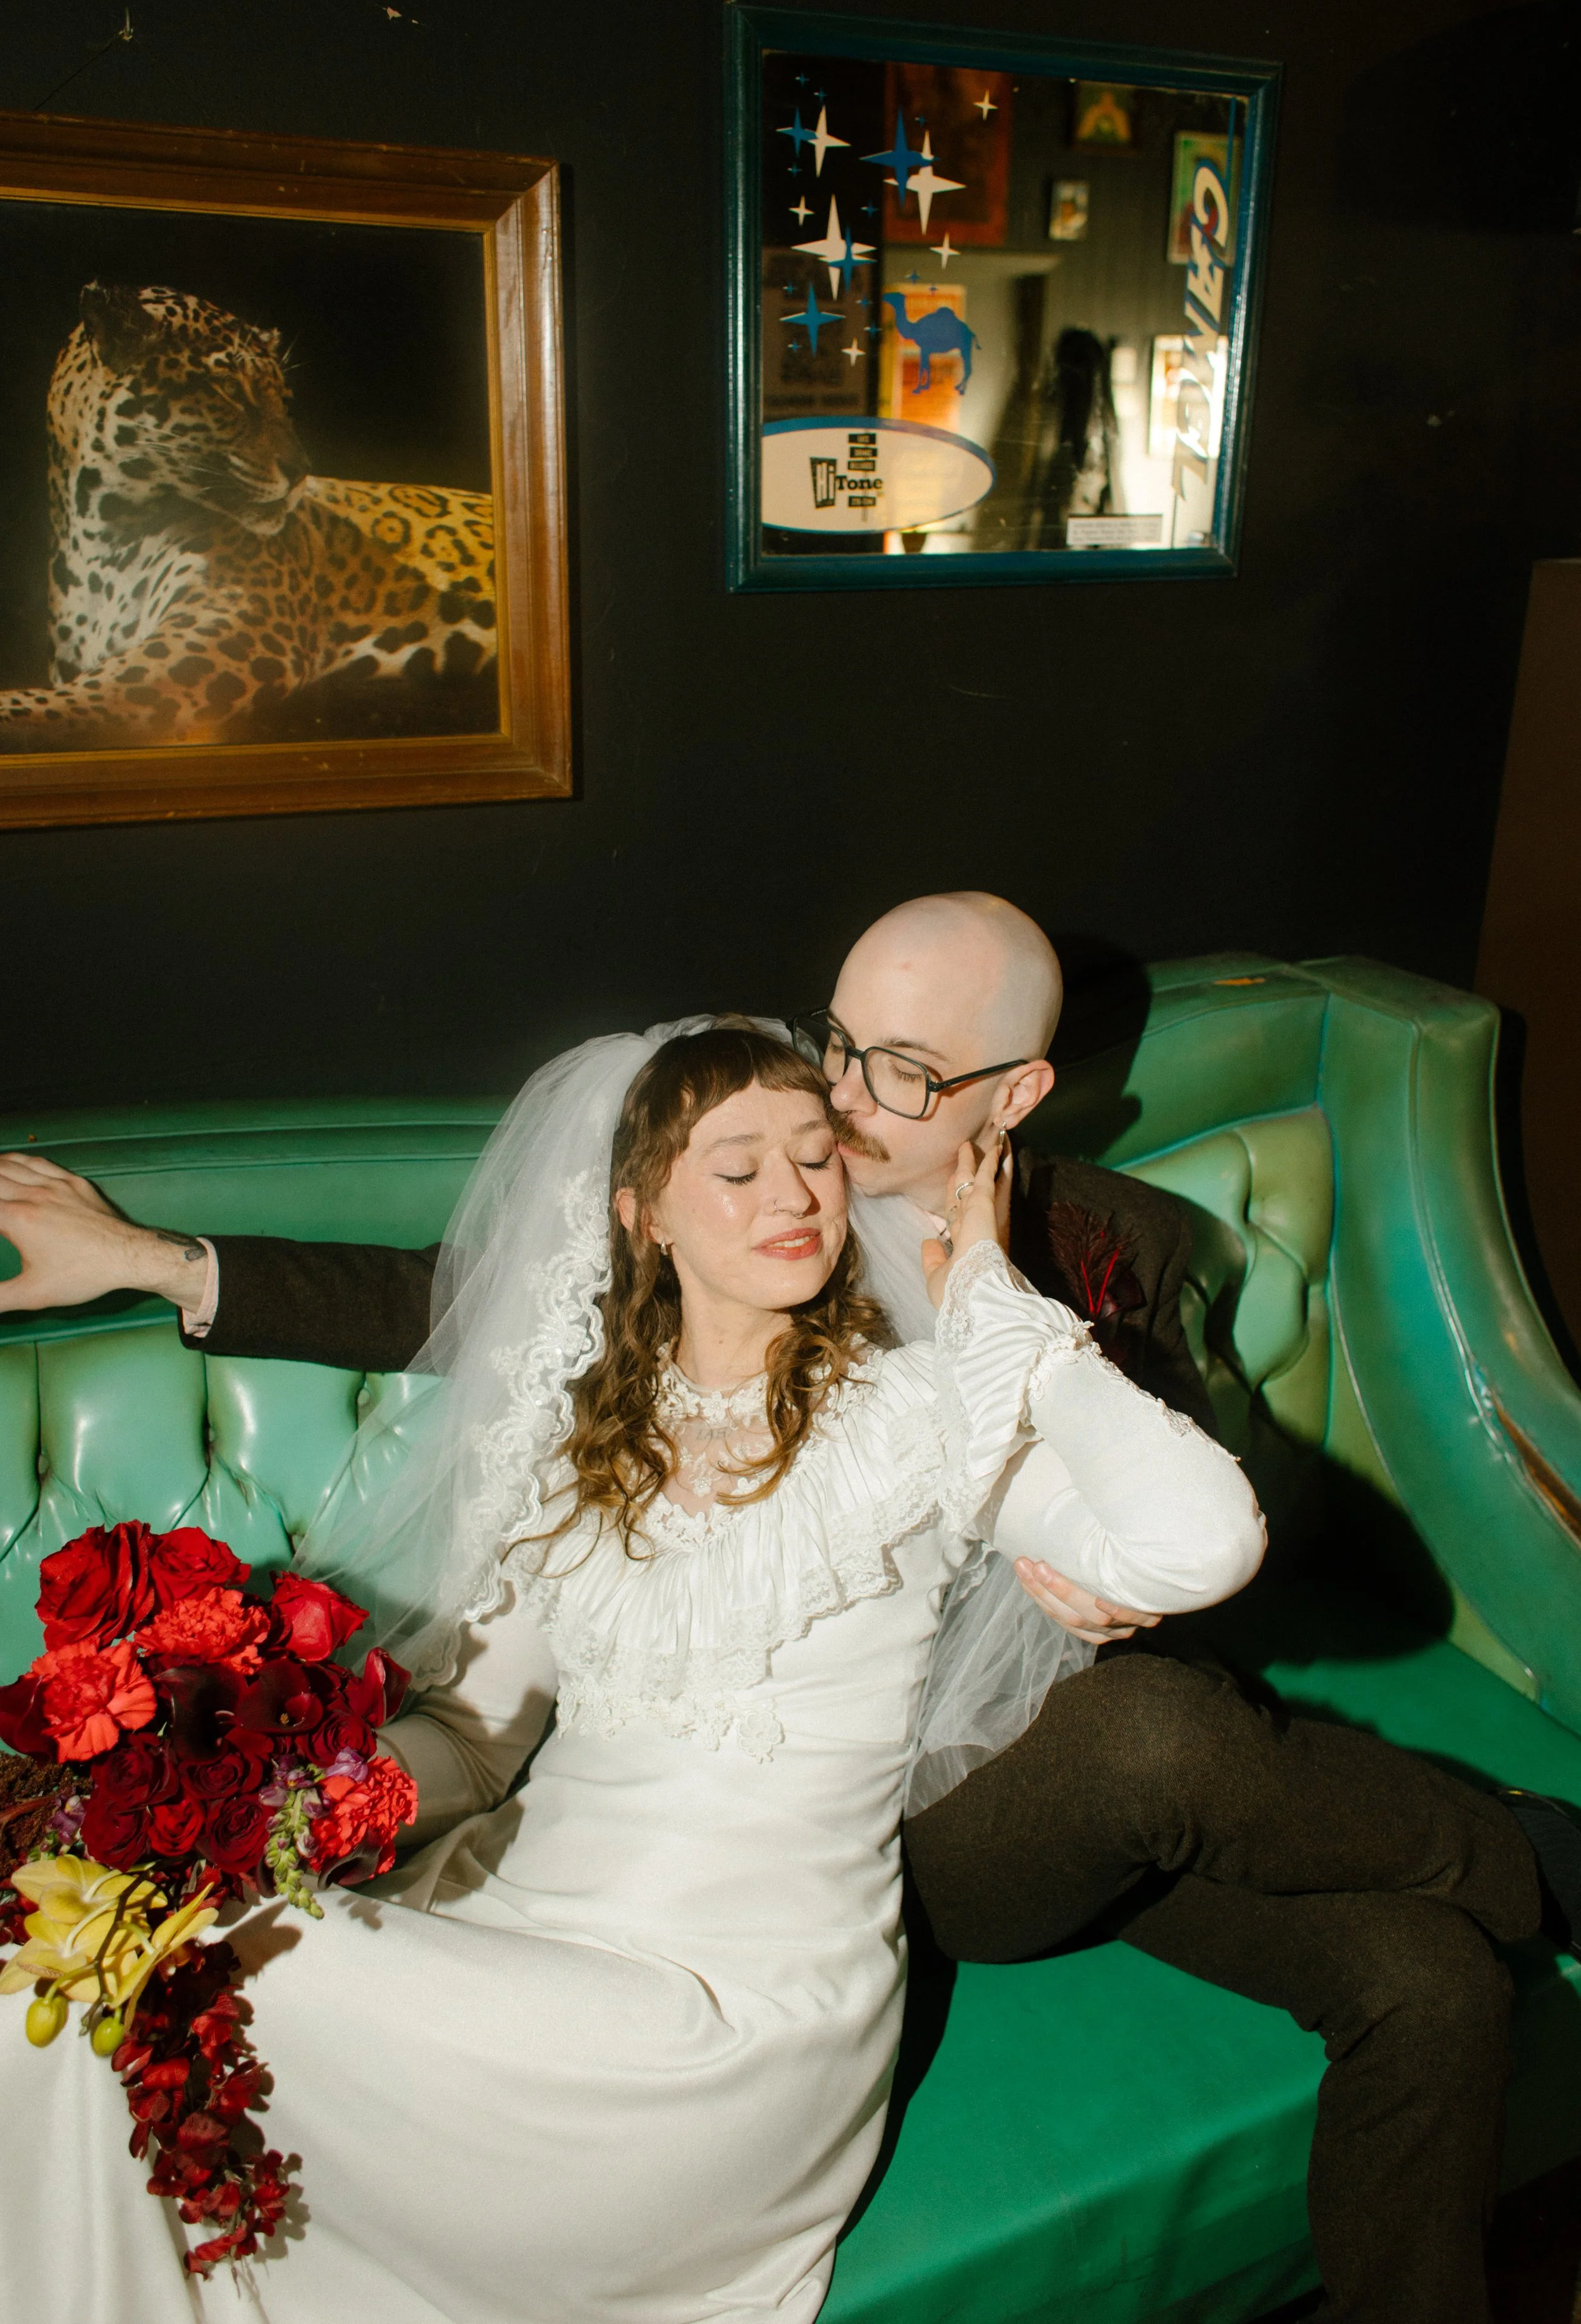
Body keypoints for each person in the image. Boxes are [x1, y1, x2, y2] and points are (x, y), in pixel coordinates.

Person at [3, 894, 1580, 2323]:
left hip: (1031, 1772)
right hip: (912, 1825)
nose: (835, 1101)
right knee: (1152, 1737)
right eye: (836, 1039)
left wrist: (1101, 1565)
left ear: (1010, 1099)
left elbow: (1241, 1522)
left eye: (896, 1071)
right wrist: (152, 1259)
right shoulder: (700, 1260)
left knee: (1412, 1970)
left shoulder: (1112, 1251)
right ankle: (1537, 1850)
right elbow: (473, 1305)